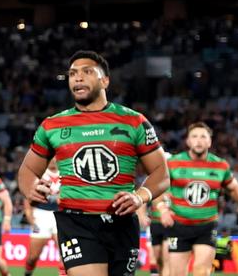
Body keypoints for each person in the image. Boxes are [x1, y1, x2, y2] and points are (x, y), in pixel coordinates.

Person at [18, 50, 169, 276]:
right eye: (72, 74)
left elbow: (161, 173)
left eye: (87, 72)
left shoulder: (134, 121)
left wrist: (140, 196)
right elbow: (28, 170)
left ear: (105, 80)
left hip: (122, 223)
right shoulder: (52, 125)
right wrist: (30, 187)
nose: (77, 78)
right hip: (76, 223)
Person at [161, 123, 238, 276]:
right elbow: (160, 188)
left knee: (202, 271)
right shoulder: (173, 163)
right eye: (194, 136)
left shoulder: (220, 165)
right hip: (179, 226)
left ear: (209, 142)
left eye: (203, 136)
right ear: (188, 141)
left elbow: (234, 188)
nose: (199, 140)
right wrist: (163, 209)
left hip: (206, 226)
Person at [22, 161, 64, 276]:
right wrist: (29, 216)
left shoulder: (65, 172)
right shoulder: (39, 174)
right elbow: (28, 196)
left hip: (60, 215)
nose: (53, 159)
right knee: (33, 257)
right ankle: (27, 273)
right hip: (41, 215)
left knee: (65, 256)